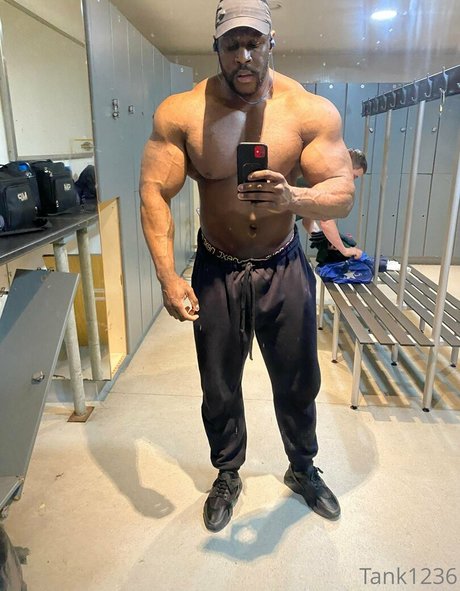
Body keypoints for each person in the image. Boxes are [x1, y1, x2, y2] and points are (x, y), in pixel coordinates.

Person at [140, 0, 354, 533]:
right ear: (216, 47)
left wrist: (294, 199)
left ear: (270, 43)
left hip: (284, 264)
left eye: (253, 43)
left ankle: (302, 468)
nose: (243, 56)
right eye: (231, 45)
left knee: (298, 379)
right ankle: (227, 473)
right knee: (218, 384)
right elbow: (154, 191)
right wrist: (167, 276)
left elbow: (342, 193)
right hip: (217, 265)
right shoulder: (182, 113)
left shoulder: (309, 111)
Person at [301, 149, 367, 261]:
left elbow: (307, 221)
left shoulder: (322, 169)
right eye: (354, 176)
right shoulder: (327, 179)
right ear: (346, 166)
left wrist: (323, 240)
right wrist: (344, 250)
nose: (352, 181)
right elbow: (326, 222)